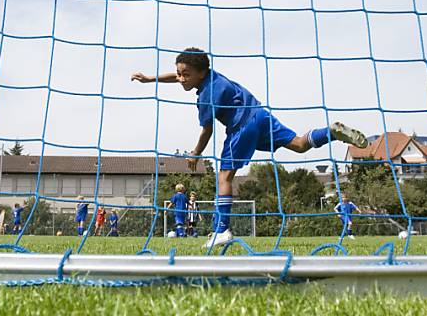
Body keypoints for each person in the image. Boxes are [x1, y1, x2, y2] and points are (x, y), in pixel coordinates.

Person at [132, 47, 368, 249]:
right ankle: (331, 132)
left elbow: (207, 131)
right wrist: (151, 79)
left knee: (224, 176)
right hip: (260, 115)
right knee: (298, 145)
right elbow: (177, 76)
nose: (181, 79)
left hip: (242, 126)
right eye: (180, 74)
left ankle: (222, 230)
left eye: (186, 75)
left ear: (200, 73)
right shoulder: (210, 76)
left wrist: (196, 154)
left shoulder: (206, 96)